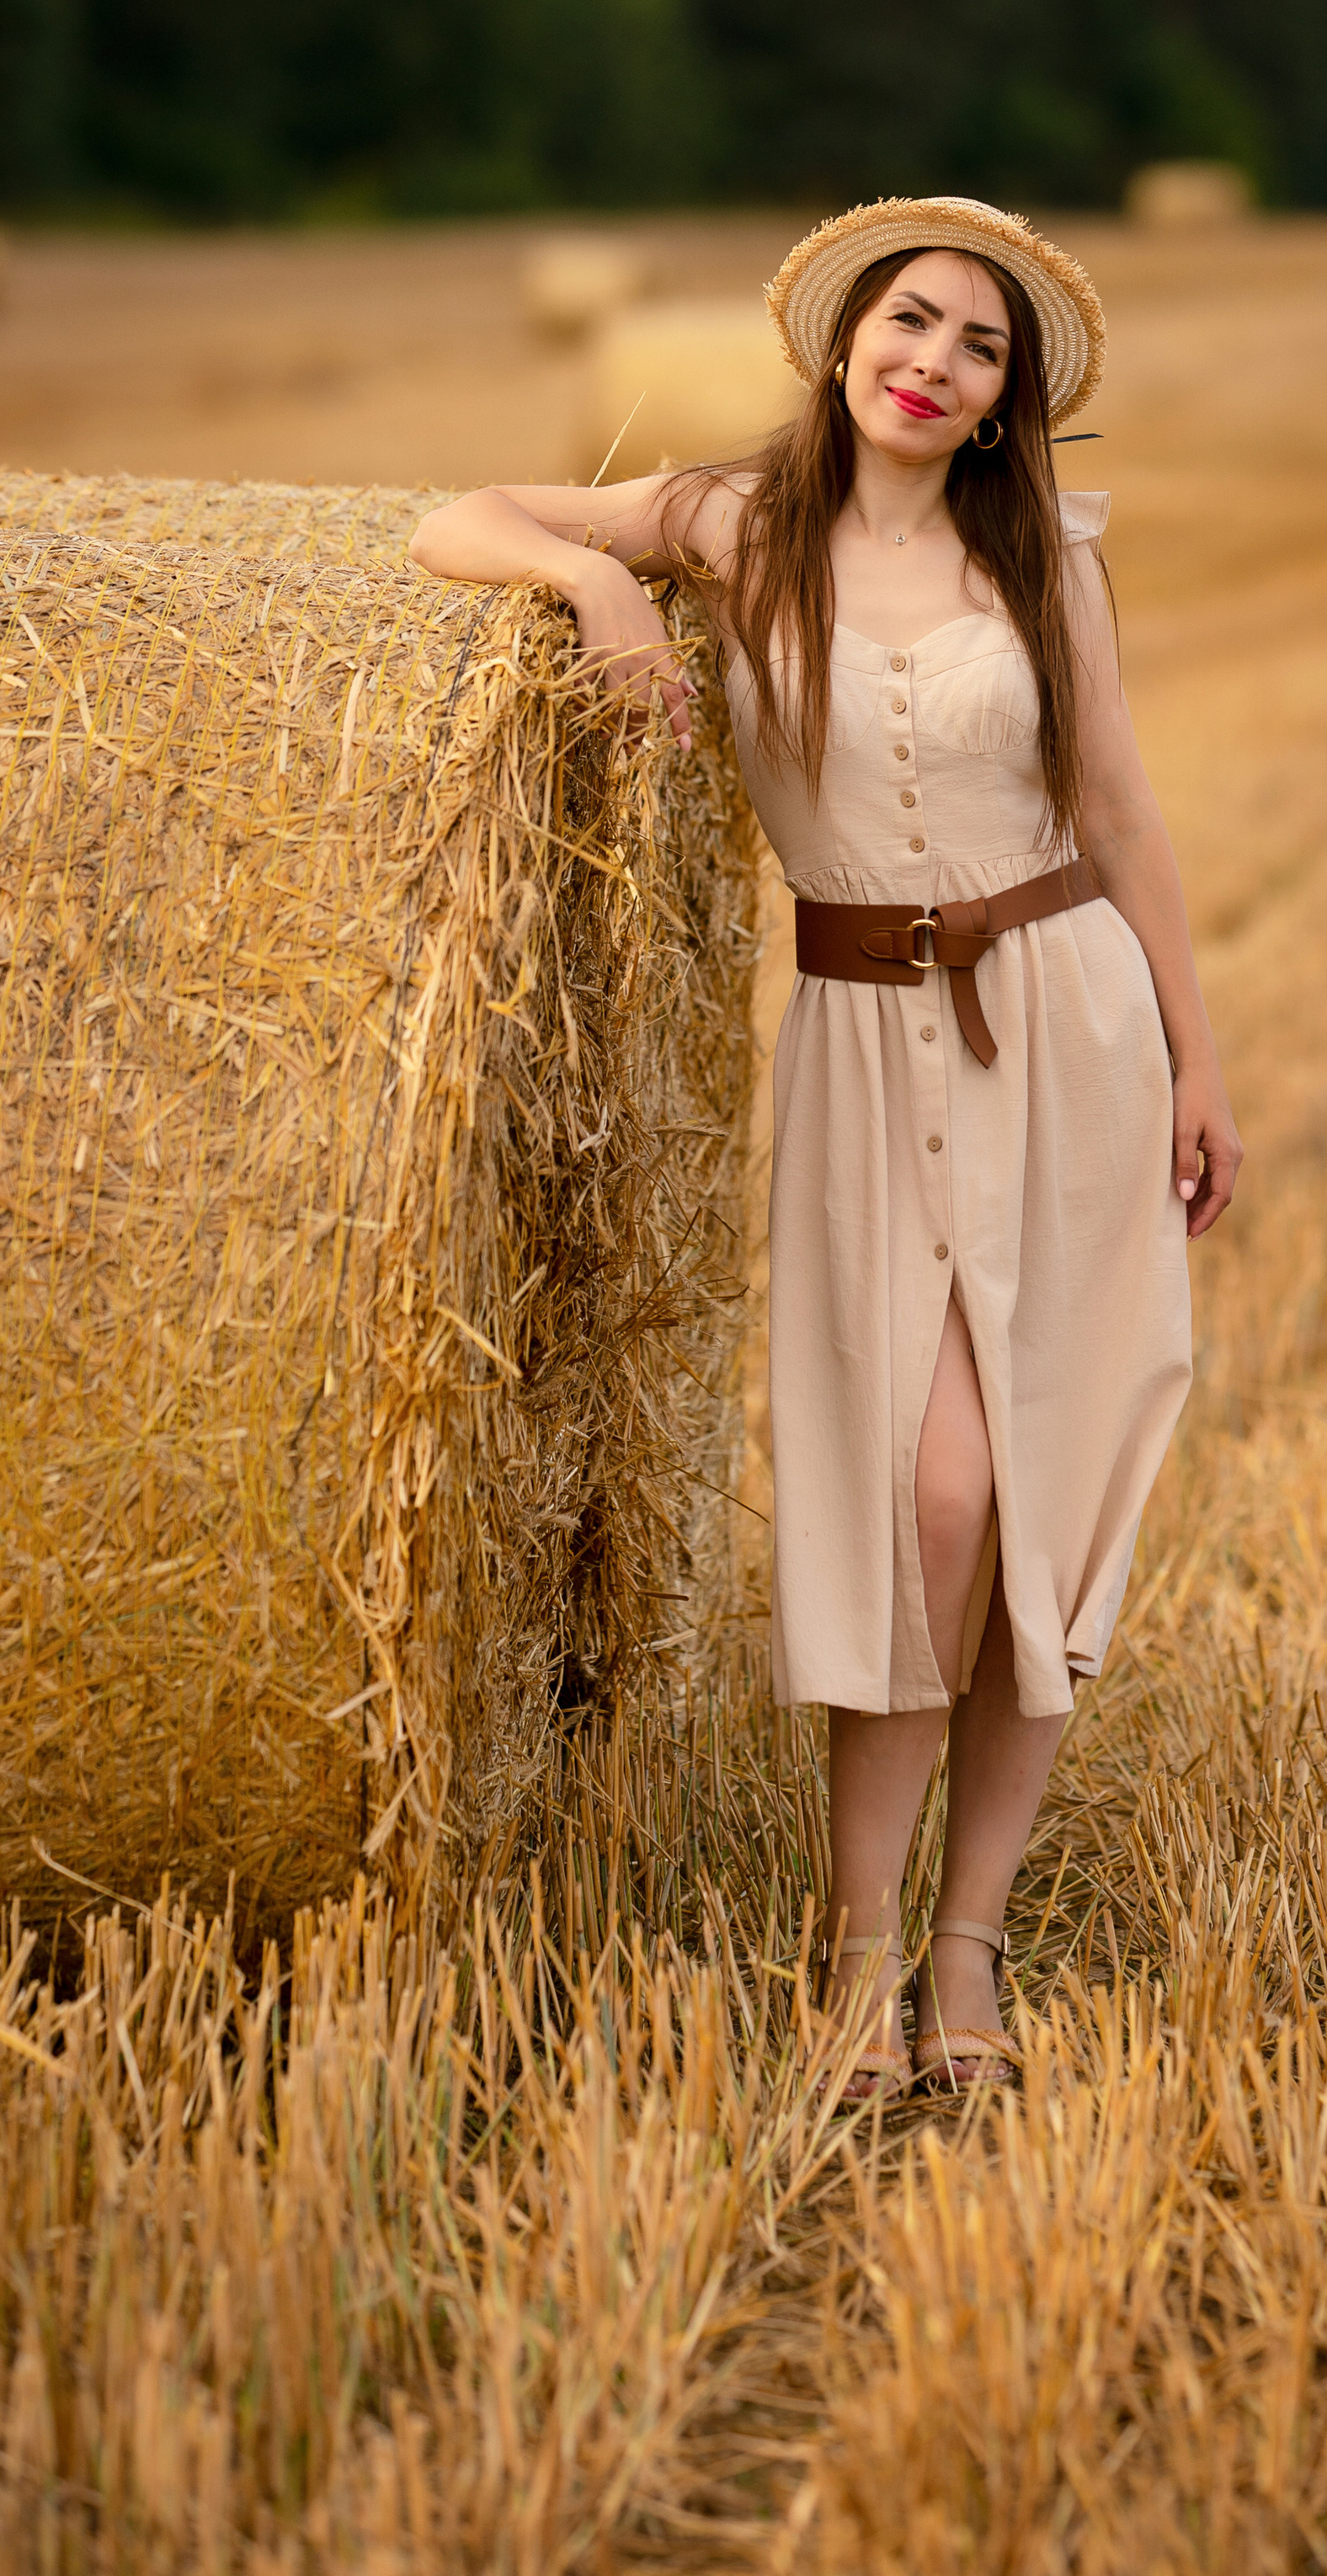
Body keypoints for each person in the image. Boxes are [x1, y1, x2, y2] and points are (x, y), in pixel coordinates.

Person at [411, 194, 1239, 2093]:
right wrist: (603, 595)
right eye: (912, 320)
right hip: (864, 1051)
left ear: (1005, 401)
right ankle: (857, 1944)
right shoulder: (735, 526)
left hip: (1069, 1029)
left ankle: (964, 1951)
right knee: (922, 1505)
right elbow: (456, 516)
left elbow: (1123, 816)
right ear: (846, 333)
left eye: (979, 349)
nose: (933, 363)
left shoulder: (1045, 565)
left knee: (1031, 1503)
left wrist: (1198, 1062)